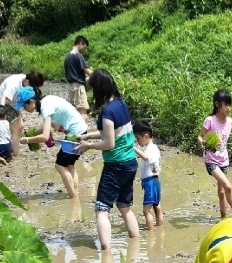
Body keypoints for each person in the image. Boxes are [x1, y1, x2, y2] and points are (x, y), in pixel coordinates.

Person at [76, 69, 139, 250]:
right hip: (130, 163)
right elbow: (111, 133)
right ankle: (136, 246)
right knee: (124, 207)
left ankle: (106, 253)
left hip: (115, 166)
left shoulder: (107, 112)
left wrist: (88, 146)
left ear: (99, 89)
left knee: (101, 209)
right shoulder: (121, 105)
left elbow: (109, 143)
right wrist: (88, 136)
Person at [14, 86, 88, 198]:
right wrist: (31, 133)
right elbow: (46, 126)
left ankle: (74, 199)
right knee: (69, 165)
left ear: (32, 102)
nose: (24, 109)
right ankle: (75, 193)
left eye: (24, 106)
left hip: (75, 133)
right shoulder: (47, 101)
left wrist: (27, 140)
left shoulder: (45, 106)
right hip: (82, 131)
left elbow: (45, 136)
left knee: (60, 165)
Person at [197, 89, 232, 219]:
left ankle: (223, 219)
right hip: (211, 160)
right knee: (228, 186)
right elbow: (200, 136)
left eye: (229, 104)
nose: (229, 108)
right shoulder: (210, 120)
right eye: (226, 104)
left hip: (224, 160)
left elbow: (227, 135)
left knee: (221, 192)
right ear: (217, 104)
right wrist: (204, 142)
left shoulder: (230, 121)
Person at [0, 71, 45, 147]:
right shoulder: (14, 84)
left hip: (14, 104)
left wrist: (18, 110)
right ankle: (12, 150)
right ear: (27, 81)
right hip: (3, 103)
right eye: (31, 87)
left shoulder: (26, 79)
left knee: (20, 125)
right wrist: (1, 115)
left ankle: (11, 146)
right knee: (16, 127)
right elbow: (3, 98)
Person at [133, 120, 163, 230]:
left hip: (150, 182)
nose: (137, 141)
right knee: (157, 207)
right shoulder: (151, 148)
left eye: (138, 138)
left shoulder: (151, 149)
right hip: (155, 181)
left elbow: (146, 158)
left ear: (145, 136)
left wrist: (134, 148)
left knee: (146, 210)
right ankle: (160, 229)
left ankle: (150, 233)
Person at [64, 35, 92, 120]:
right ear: (81, 44)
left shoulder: (68, 56)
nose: (84, 50)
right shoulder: (78, 55)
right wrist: (98, 76)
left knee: (75, 113)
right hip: (78, 87)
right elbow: (87, 70)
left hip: (70, 87)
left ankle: (76, 132)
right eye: (85, 47)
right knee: (83, 112)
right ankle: (83, 133)